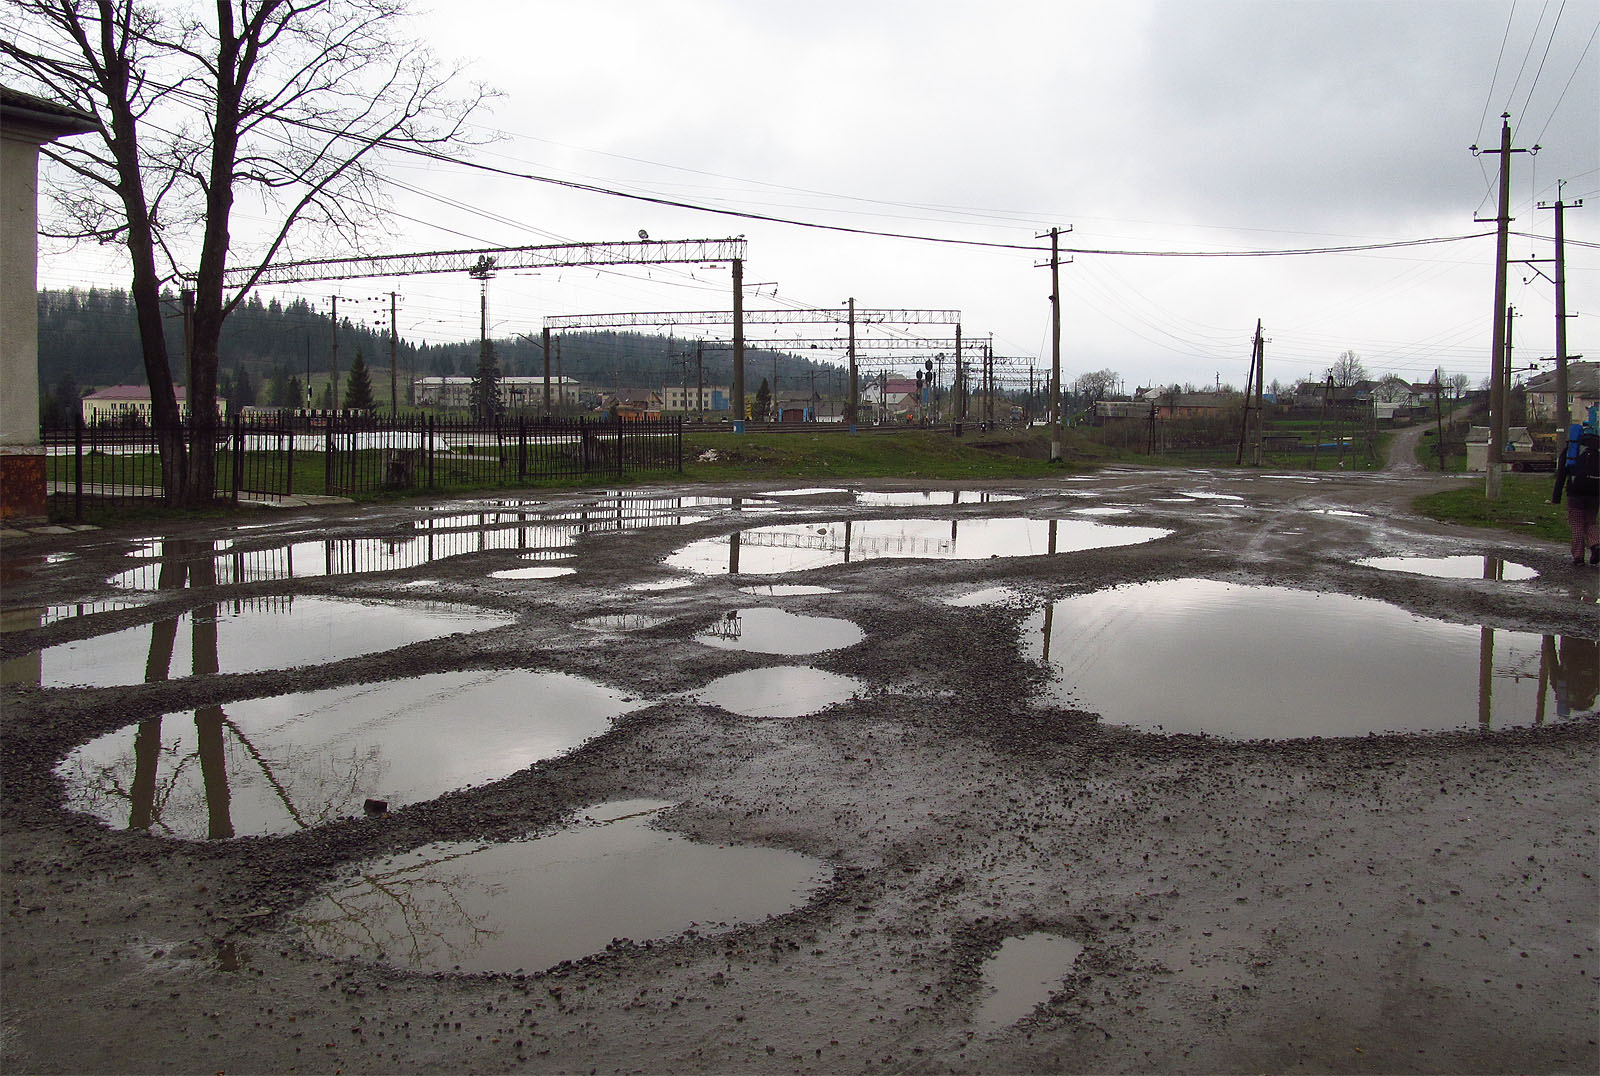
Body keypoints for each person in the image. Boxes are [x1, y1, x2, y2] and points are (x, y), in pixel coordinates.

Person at [1551, 418, 1600, 566]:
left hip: (1575, 493)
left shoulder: (1572, 450)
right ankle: (1596, 545)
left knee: (1577, 523)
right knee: (1591, 521)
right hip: (1595, 492)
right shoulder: (1597, 449)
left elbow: (1561, 475)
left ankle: (1578, 556)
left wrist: (1556, 497)